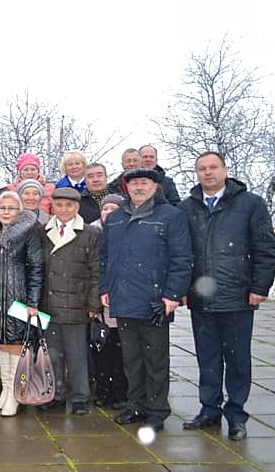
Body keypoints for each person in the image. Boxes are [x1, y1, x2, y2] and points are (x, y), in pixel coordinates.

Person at [178, 152, 275, 441]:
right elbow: (183, 254)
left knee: (237, 360)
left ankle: (236, 415)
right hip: (200, 299)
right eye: (201, 169)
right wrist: (184, 289)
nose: (207, 173)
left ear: (225, 169)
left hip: (237, 296)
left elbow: (265, 249)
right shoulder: (188, 208)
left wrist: (260, 287)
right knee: (207, 358)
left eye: (213, 167)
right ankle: (209, 409)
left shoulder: (250, 205)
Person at [100, 168, 192, 432]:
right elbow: (106, 257)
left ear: (155, 187)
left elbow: (182, 258)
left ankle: (157, 410)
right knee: (132, 358)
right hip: (124, 298)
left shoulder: (171, 217)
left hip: (155, 300)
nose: (139, 187)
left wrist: (173, 293)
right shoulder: (116, 218)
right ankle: (136, 404)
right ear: (126, 188)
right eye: (134, 183)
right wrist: (106, 288)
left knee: (156, 359)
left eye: (144, 183)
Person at [0, 191, 44, 417]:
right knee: (2, 345)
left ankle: (16, 394)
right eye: (2, 207)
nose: (6, 211)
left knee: (16, 346)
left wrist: (33, 302)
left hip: (19, 298)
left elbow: (36, 268)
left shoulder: (29, 232)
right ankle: (5, 391)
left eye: (11, 208)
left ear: (19, 211)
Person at [38, 188, 101, 415]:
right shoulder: (43, 232)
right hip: (49, 304)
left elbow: (96, 272)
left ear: (77, 208)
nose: (64, 210)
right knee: (52, 355)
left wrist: (94, 304)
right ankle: (56, 393)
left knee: (77, 355)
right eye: (59, 205)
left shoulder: (90, 234)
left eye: (69, 205)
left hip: (77, 303)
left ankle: (81, 397)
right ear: (52, 207)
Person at [89, 194, 128, 410]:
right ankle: (103, 390)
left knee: (119, 350)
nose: (109, 213)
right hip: (98, 301)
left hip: (120, 300)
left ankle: (120, 391)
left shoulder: (127, 232)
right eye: (105, 209)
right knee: (100, 350)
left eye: (114, 209)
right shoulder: (92, 232)